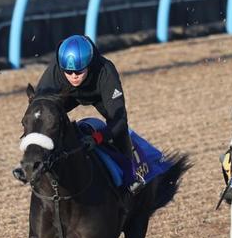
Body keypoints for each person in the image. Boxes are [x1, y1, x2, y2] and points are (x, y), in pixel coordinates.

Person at [15, 34, 143, 192]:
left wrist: (98, 138)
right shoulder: (55, 71)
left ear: (89, 64)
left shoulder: (106, 70)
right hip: (66, 96)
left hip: (98, 94)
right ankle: (27, 164)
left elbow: (119, 121)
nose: (74, 76)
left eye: (79, 71)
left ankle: (131, 177)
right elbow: (37, 109)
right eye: (68, 72)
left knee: (120, 129)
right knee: (43, 119)